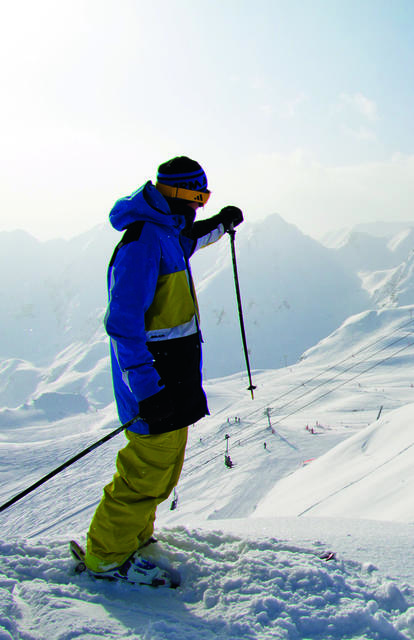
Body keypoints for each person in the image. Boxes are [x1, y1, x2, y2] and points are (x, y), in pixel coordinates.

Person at [83, 156, 243, 586]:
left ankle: (134, 537)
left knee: (164, 471)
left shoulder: (168, 233)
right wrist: (147, 389)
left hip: (176, 378)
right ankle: (106, 556)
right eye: (197, 195)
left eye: (205, 197)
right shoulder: (142, 242)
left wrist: (222, 222)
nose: (199, 204)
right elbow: (122, 323)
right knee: (143, 473)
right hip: (154, 382)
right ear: (177, 192)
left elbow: (190, 238)